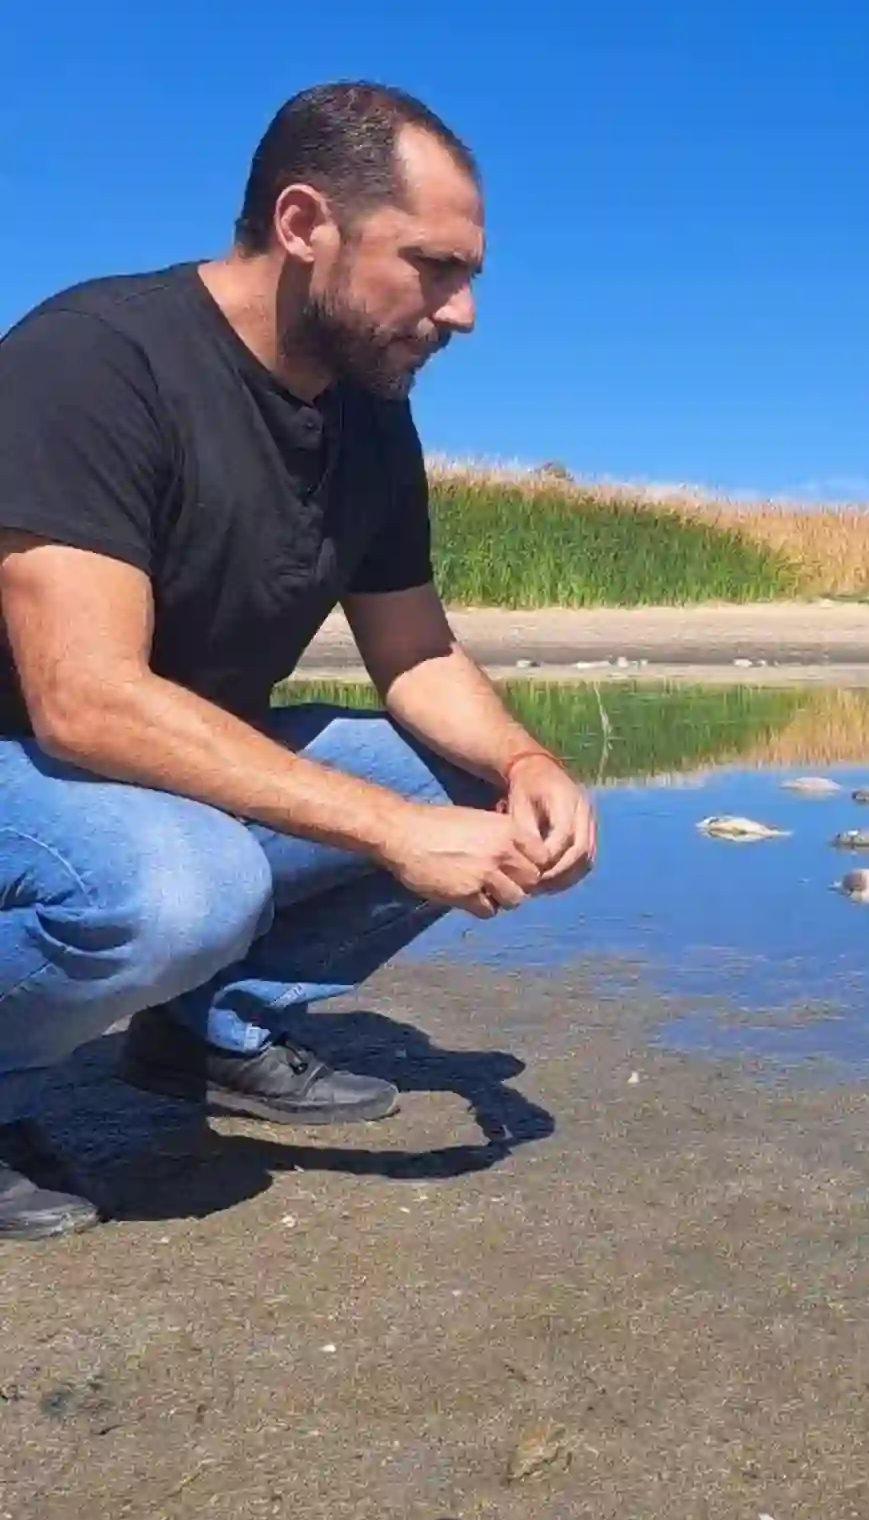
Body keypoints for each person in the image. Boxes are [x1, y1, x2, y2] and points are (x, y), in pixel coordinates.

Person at [0, 81, 597, 1240]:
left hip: (139, 766)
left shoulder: (369, 415)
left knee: (471, 784)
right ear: (303, 223)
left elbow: (414, 650)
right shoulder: (95, 360)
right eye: (432, 265)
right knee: (182, 888)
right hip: (24, 750)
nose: (463, 311)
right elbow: (83, 703)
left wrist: (528, 761)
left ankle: (206, 1028)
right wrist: (383, 828)